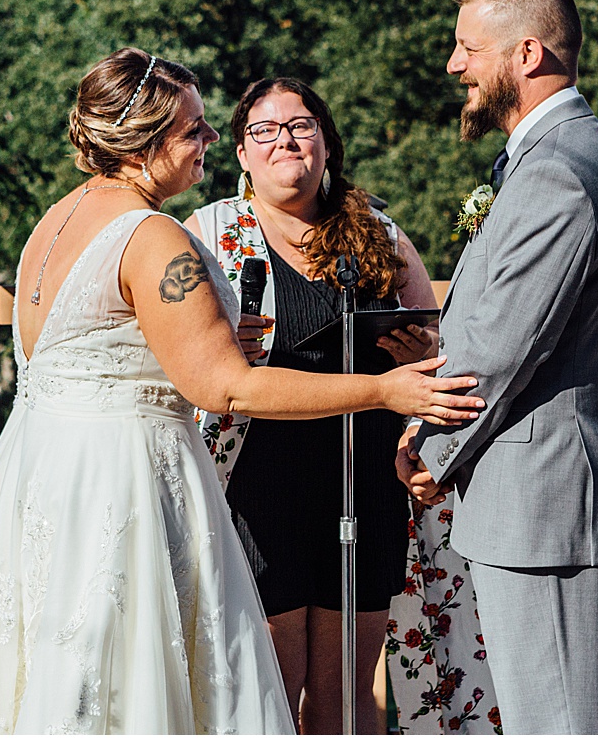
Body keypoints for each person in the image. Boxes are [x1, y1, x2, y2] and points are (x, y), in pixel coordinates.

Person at [0, 48, 484, 734]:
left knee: (60, 682)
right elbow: (225, 387)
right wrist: (382, 389)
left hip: (45, 480)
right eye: (192, 129)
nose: (207, 141)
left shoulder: (52, 224)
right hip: (128, 486)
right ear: (145, 139)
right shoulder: (155, 238)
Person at [185, 77, 497, 734]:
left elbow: (442, 340)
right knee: (270, 681)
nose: (284, 140)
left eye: (299, 124)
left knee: (347, 691)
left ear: (326, 140)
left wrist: (422, 344)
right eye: (263, 130)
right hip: (257, 486)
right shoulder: (209, 232)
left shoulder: (375, 232)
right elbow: (177, 349)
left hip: (362, 485)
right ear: (241, 152)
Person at [397, 0, 598, 734]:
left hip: (544, 497)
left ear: (526, 53)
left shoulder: (560, 170)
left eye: (469, 47)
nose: (453, 64)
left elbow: (506, 342)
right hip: (534, 495)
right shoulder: (556, 154)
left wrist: (432, 446)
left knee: (557, 720)